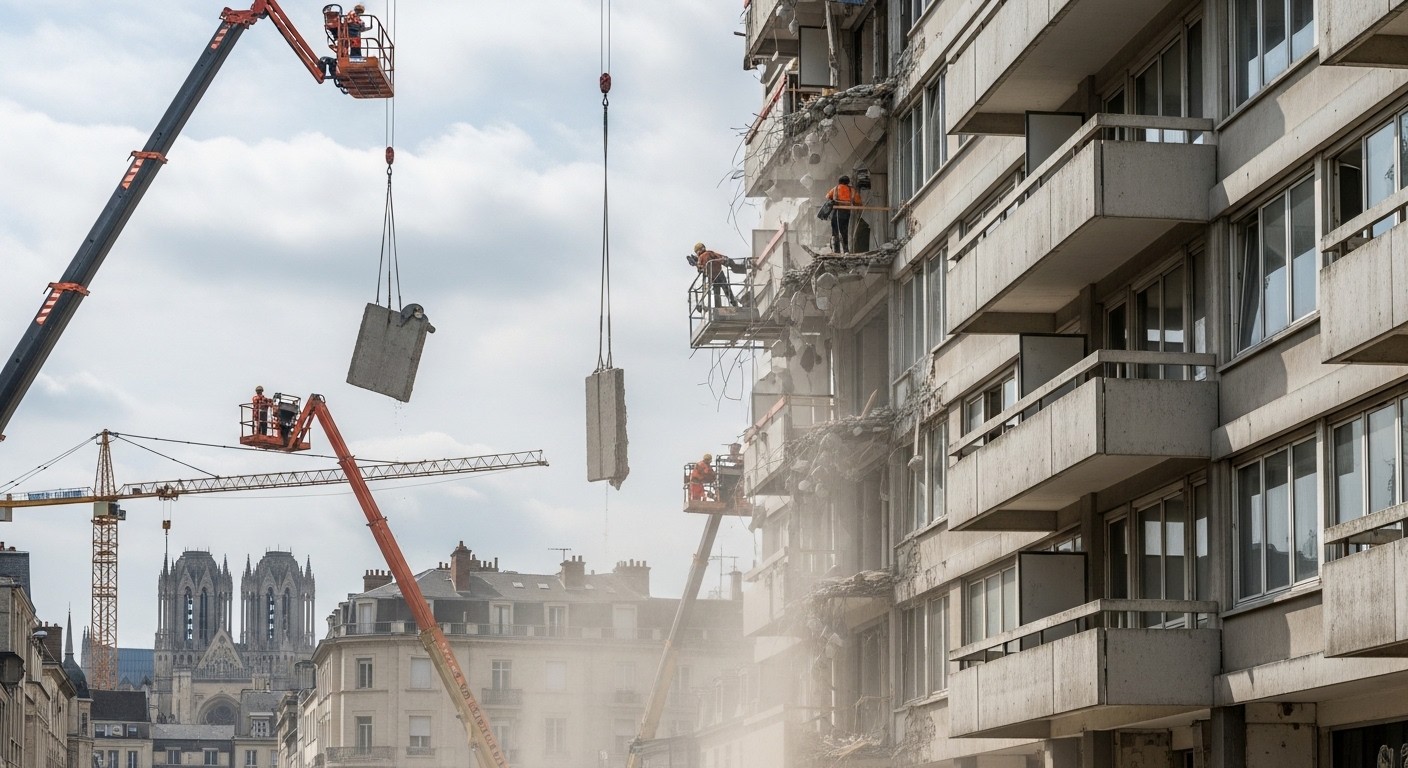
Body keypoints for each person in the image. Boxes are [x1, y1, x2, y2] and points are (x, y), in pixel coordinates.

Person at [692, 243, 740, 308]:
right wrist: (728, 261)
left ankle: (717, 306)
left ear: (699, 250)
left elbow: (701, 268)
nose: (696, 253)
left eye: (696, 251)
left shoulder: (703, 256)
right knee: (726, 289)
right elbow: (720, 258)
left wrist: (696, 263)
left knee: (716, 292)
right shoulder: (709, 253)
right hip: (719, 273)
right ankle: (734, 303)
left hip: (712, 277)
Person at [825, 175, 863, 253]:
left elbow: (827, 196)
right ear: (848, 182)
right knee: (844, 231)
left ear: (839, 182)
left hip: (837, 212)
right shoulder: (852, 190)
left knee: (835, 231)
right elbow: (858, 201)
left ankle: (836, 251)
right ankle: (846, 250)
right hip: (846, 212)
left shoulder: (835, 188)